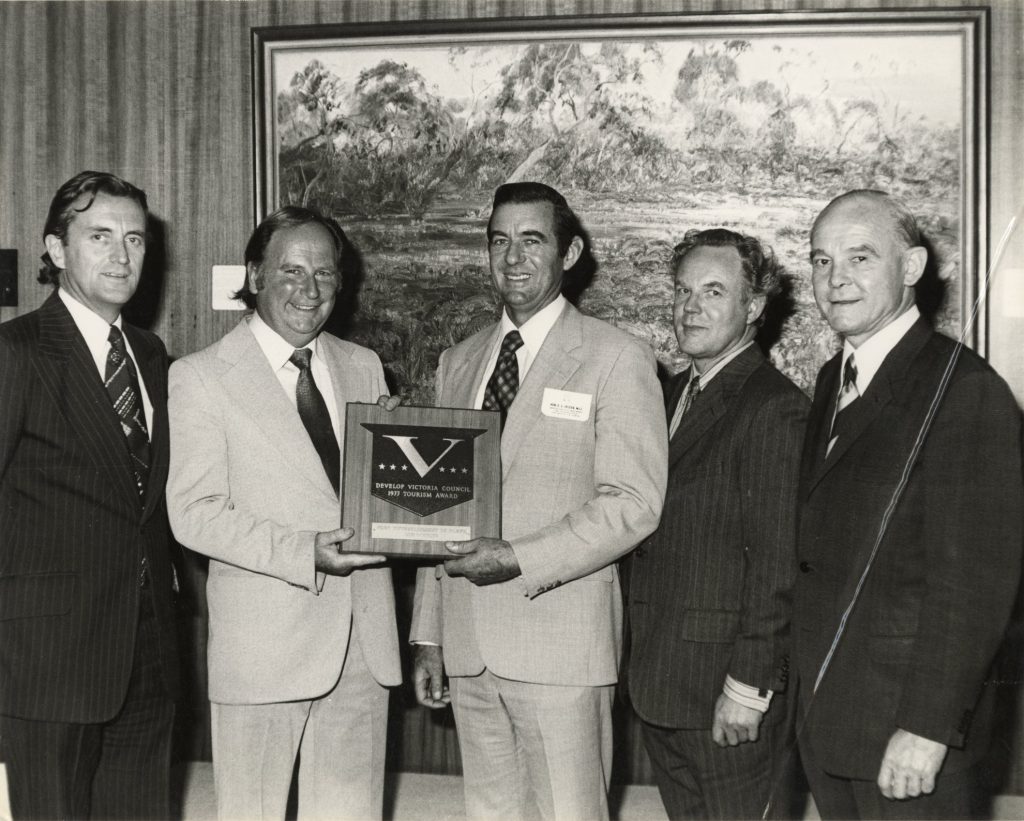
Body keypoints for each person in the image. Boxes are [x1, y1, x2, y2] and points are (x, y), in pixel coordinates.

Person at [409, 181, 668, 820]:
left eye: (532, 240)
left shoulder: (617, 358)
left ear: (570, 252)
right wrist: (429, 635)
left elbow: (633, 502)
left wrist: (519, 557)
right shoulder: (459, 362)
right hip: (468, 648)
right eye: (499, 241)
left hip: (561, 645)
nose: (513, 259)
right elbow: (436, 503)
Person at [793, 189, 1023, 818]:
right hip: (831, 722)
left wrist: (927, 729)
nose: (835, 280)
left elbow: (974, 587)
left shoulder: (967, 392)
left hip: (909, 739)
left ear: (914, 268)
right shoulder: (831, 380)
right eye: (820, 261)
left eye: (860, 258)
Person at [166, 206, 401, 820]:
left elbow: (385, 492)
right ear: (256, 274)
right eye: (292, 271)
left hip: (362, 646)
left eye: (325, 274)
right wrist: (306, 551)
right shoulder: (199, 378)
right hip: (263, 649)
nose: (310, 289)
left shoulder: (364, 366)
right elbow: (195, 514)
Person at [0, 171, 180, 819]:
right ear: (55, 249)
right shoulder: (15, 352)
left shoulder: (152, 355)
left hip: (148, 652)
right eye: (99, 236)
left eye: (134, 238)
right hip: (47, 660)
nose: (122, 255)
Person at [626, 228, 808, 819]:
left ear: (753, 308)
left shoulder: (773, 408)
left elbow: (778, 565)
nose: (690, 307)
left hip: (725, 697)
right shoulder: (671, 394)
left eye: (712, 291)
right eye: (682, 290)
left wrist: (749, 689)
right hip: (663, 684)